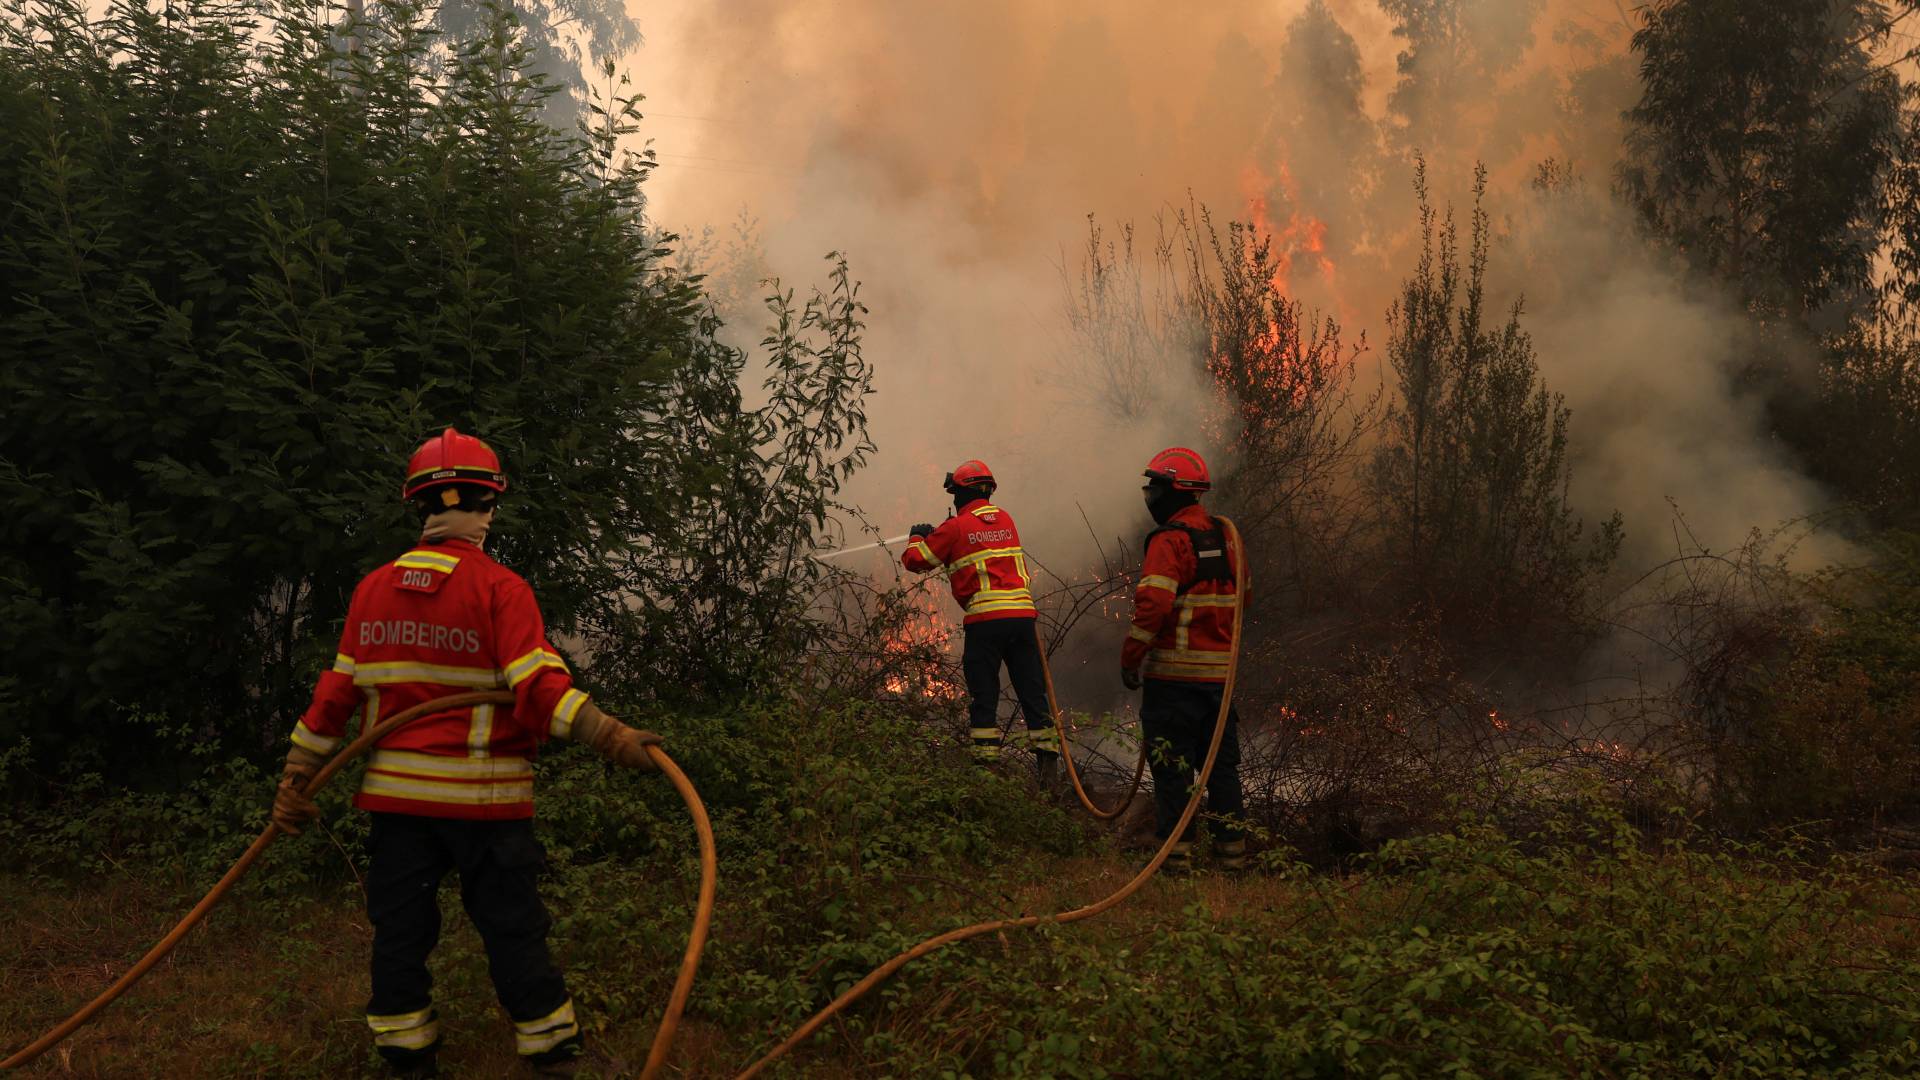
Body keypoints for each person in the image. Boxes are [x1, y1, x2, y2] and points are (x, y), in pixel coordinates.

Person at [270, 427, 664, 1076]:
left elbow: (334, 699)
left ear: (419, 506)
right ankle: (554, 1059)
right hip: (486, 806)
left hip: (397, 809)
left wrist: (296, 774)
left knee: (399, 936)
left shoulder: (372, 590)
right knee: (513, 933)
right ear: (488, 505)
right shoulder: (498, 590)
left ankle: (406, 1059)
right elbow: (538, 690)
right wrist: (612, 736)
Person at [1120, 447, 1248, 872]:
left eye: (1154, 487)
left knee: (1173, 770)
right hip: (1219, 682)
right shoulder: (1227, 537)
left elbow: (1153, 607)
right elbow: (1244, 597)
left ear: (1175, 491)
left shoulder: (1169, 540)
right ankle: (1232, 860)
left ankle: (1175, 862)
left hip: (1173, 681)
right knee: (1221, 769)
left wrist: (1131, 658)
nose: (1150, 496)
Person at [901, 459, 1061, 780]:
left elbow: (915, 561)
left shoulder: (955, 527)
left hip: (986, 621)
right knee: (1033, 693)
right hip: (1022, 619)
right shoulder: (1006, 519)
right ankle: (1048, 770)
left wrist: (917, 536)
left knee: (984, 695)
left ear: (962, 492)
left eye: (955, 493)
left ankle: (986, 771)